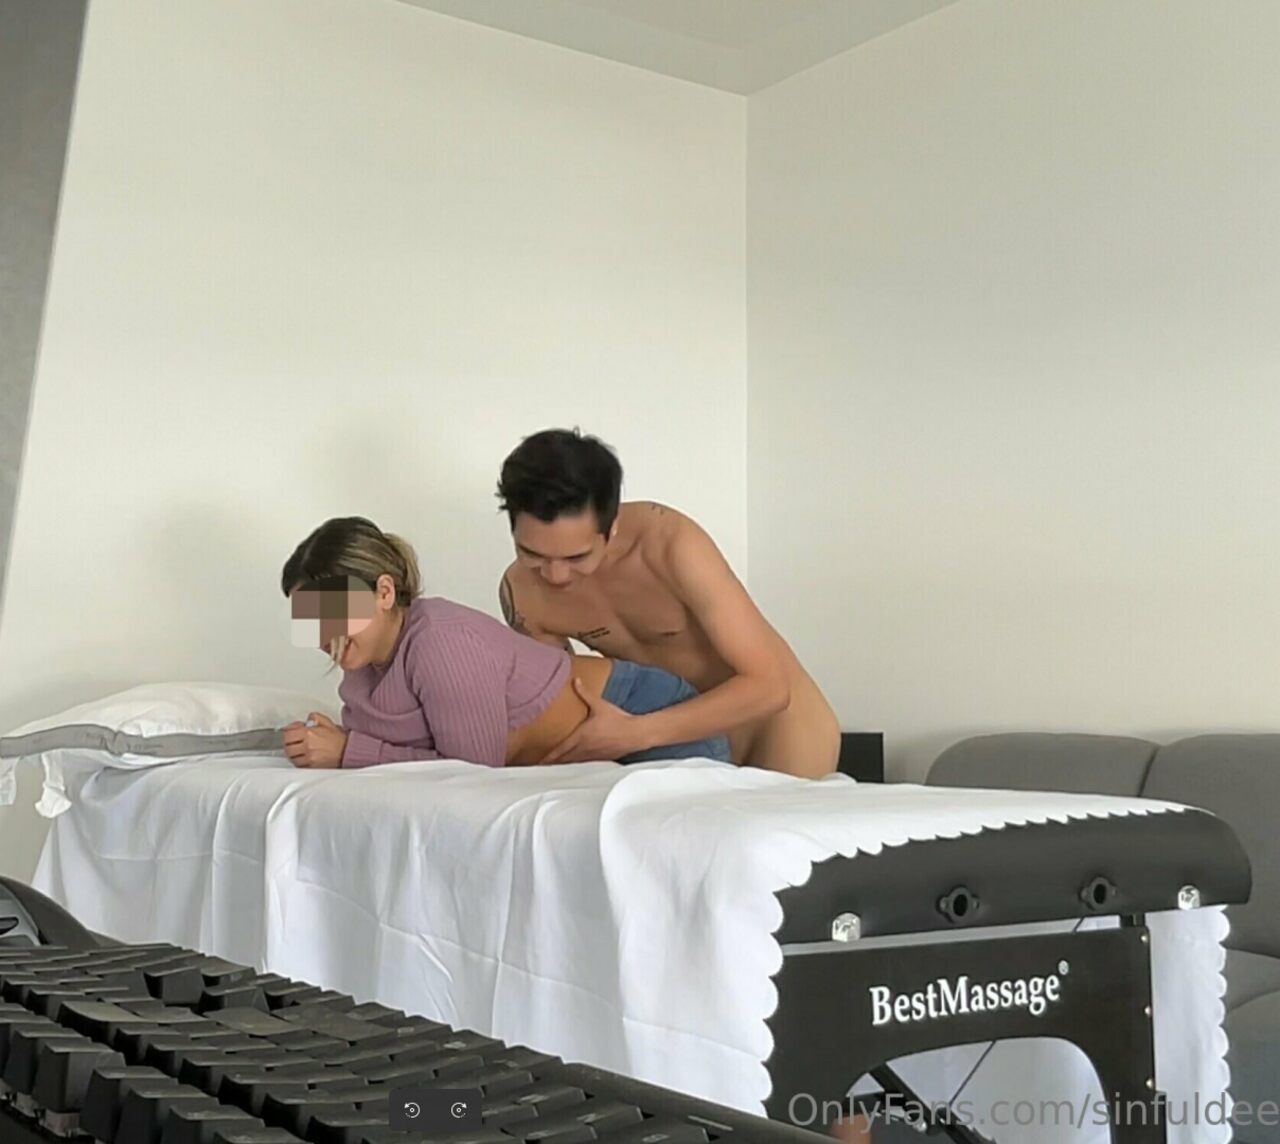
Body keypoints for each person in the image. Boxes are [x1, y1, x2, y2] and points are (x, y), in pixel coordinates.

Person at [495, 429, 841, 778]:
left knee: (776, 813)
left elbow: (771, 686)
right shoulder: (523, 596)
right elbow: (555, 702)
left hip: (773, 720)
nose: (555, 575)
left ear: (612, 527)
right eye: (532, 553)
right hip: (668, 738)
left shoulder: (670, 546)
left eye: (577, 557)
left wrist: (636, 733)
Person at [278, 517, 731, 769]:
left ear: (382, 592)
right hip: (596, 755)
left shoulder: (440, 641)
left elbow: (472, 771)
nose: (323, 634)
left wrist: (347, 752)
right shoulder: (362, 674)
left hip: (649, 719)